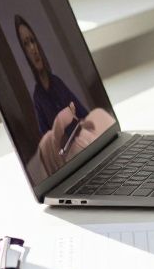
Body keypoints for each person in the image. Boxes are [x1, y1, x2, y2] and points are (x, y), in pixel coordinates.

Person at [14, 15, 96, 174]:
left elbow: (83, 113)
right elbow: (48, 144)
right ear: (25, 53)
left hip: (86, 149)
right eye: (26, 44)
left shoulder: (57, 82)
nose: (33, 48)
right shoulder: (37, 98)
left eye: (33, 41)